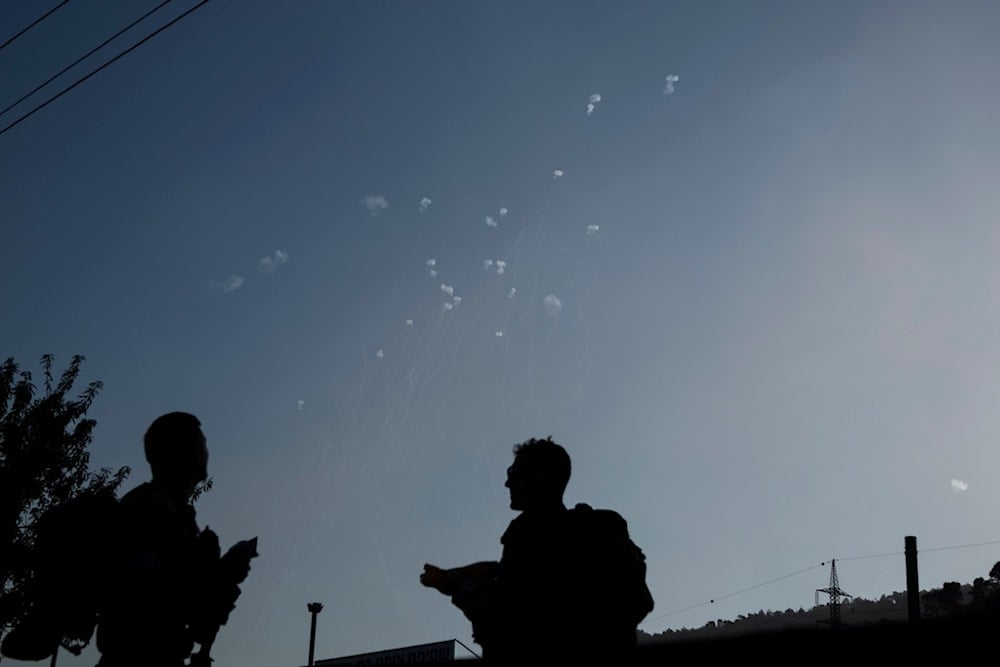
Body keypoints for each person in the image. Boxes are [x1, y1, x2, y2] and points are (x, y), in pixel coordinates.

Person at [421, 436, 653, 664]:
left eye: (515, 473)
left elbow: (508, 619)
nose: (508, 483)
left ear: (541, 478)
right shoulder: (590, 533)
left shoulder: (534, 543)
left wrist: (454, 585)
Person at [95, 412, 257, 667]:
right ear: (187, 453)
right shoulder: (148, 509)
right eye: (201, 444)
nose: (205, 452)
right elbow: (150, 599)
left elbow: (196, 618)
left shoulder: (175, 514)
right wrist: (219, 574)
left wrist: (222, 576)